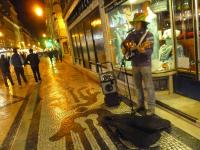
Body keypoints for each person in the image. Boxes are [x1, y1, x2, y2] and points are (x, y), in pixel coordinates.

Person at [122, 13, 155, 115]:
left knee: (149, 87)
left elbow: (150, 51)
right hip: (134, 64)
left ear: (143, 23)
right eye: (134, 23)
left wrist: (143, 51)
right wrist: (128, 48)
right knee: (137, 86)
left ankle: (151, 109)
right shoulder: (131, 35)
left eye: (137, 23)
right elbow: (123, 45)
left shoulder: (149, 35)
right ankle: (140, 104)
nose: (135, 25)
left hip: (145, 64)